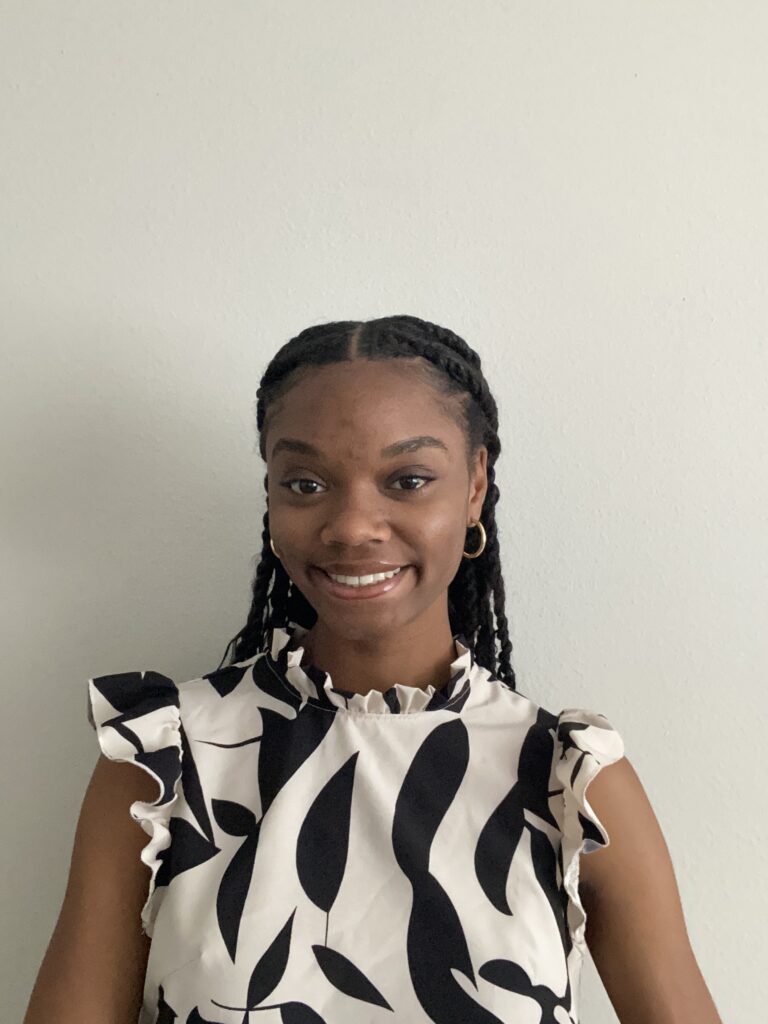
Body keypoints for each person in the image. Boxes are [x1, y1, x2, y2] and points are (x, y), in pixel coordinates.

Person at [25, 315, 723, 1023]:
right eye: (304, 483)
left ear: (476, 484)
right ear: (269, 492)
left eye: (409, 479)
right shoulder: (160, 765)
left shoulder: (568, 784)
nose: (353, 525)